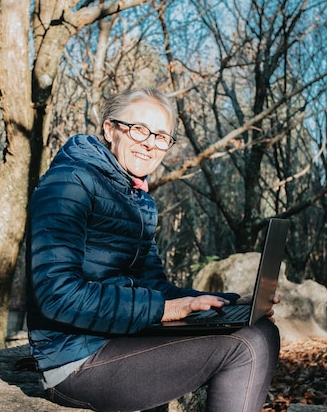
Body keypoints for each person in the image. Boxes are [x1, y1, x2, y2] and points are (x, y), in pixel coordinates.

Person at [26, 88, 280, 412]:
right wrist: (163, 309)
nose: (150, 143)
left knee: (260, 328)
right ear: (110, 129)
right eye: (139, 129)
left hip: (127, 336)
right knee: (247, 344)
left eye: (161, 136)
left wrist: (230, 304)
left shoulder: (140, 200)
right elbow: (56, 295)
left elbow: (157, 287)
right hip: (75, 358)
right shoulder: (68, 184)